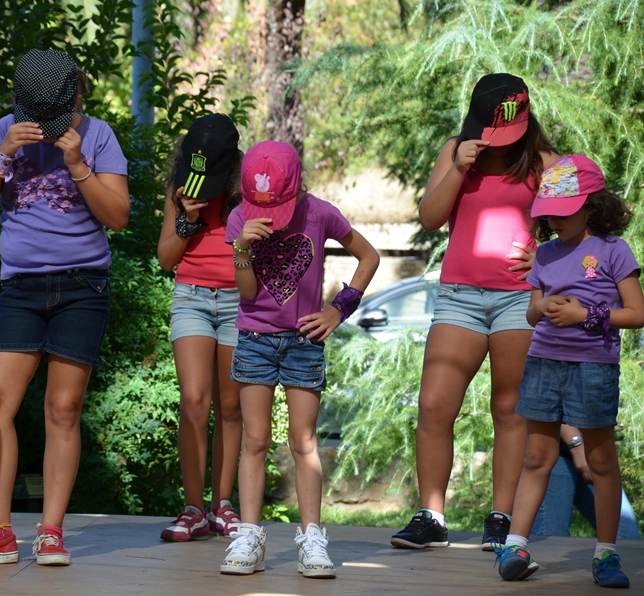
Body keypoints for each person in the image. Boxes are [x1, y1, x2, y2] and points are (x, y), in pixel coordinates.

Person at [0, 48, 129, 567]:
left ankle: (51, 532)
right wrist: (0, 156)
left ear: (77, 94)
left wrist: (78, 164)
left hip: (82, 286)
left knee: (62, 410)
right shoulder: (5, 130)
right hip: (20, 289)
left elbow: (119, 217)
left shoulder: (98, 135)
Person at [391, 73, 560, 550]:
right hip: (460, 296)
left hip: (518, 299)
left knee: (509, 409)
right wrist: (458, 169)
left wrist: (543, 256)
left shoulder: (545, 161)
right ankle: (431, 516)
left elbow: (577, 227)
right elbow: (429, 219)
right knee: (434, 404)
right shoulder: (455, 149)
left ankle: (502, 519)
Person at [219, 141, 379, 577]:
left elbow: (369, 256)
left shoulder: (320, 213)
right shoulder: (238, 217)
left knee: (303, 440)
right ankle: (249, 535)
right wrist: (242, 250)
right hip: (254, 340)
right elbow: (248, 293)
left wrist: (338, 309)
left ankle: (312, 538)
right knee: (254, 439)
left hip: (304, 342)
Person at [494, 154, 644, 589]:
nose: (556, 223)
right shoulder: (544, 253)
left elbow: (636, 313)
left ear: (592, 207)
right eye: (549, 215)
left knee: (599, 460)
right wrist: (539, 307)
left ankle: (606, 554)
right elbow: (530, 312)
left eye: (565, 213)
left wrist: (587, 315)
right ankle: (516, 547)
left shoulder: (613, 250)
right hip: (543, 363)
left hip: (593, 367)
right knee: (536, 457)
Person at [157, 113, 244, 542]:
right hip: (191, 297)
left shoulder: (248, 188)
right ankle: (193, 508)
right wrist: (186, 220)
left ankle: (222, 505)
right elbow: (165, 259)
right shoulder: (181, 186)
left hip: (237, 302)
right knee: (194, 400)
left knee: (231, 406)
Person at [531, 423, 641, 540]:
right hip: (554, 451)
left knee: (626, 534)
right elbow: (547, 406)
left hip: (593, 451)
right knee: (552, 539)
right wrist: (577, 445)